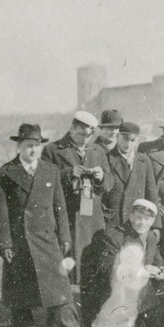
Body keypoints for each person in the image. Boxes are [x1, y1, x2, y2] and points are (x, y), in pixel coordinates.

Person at [0, 123, 89, 327]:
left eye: (36, 145)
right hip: (19, 240)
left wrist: (64, 236)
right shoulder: (4, 173)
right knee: (20, 287)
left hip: (47, 238)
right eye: (28, 146)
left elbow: (60, 207)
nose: (32, 150)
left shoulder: (50, 170)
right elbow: (0, 215)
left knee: (59, 284)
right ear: (19, 146)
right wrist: (4, 244)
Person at [80, 199, 164, 327]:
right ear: (131, 217)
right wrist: (141, 270)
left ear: (153, 221)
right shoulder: (114, 236)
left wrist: (161, 271)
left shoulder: (151, 237)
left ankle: (142, 320)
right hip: (111, 289)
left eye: (147, 219)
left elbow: (158, 261)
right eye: (138, 218)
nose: (142, 223)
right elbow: (108, 268)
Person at [42, 110, 114, 276]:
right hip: (68, 220)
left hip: (94, 221)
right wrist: (67, 174)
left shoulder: (98, 151)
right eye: (82, 133)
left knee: (93, 268)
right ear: (72, 127)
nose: (85, 138)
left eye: (89, 135)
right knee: (71, 268)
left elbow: (110, 184)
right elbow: (44, 183)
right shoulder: (52, 150)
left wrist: (102, 176)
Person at [102, 122, 158, 228]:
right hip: (112, 222)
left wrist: (155, 226)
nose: (128, 144)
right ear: (118, 136)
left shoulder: (144, 161)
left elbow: (152, 194)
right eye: (125, 139)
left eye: (133, 140)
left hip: (137, 222)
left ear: (138, 140)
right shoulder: (107, 159)